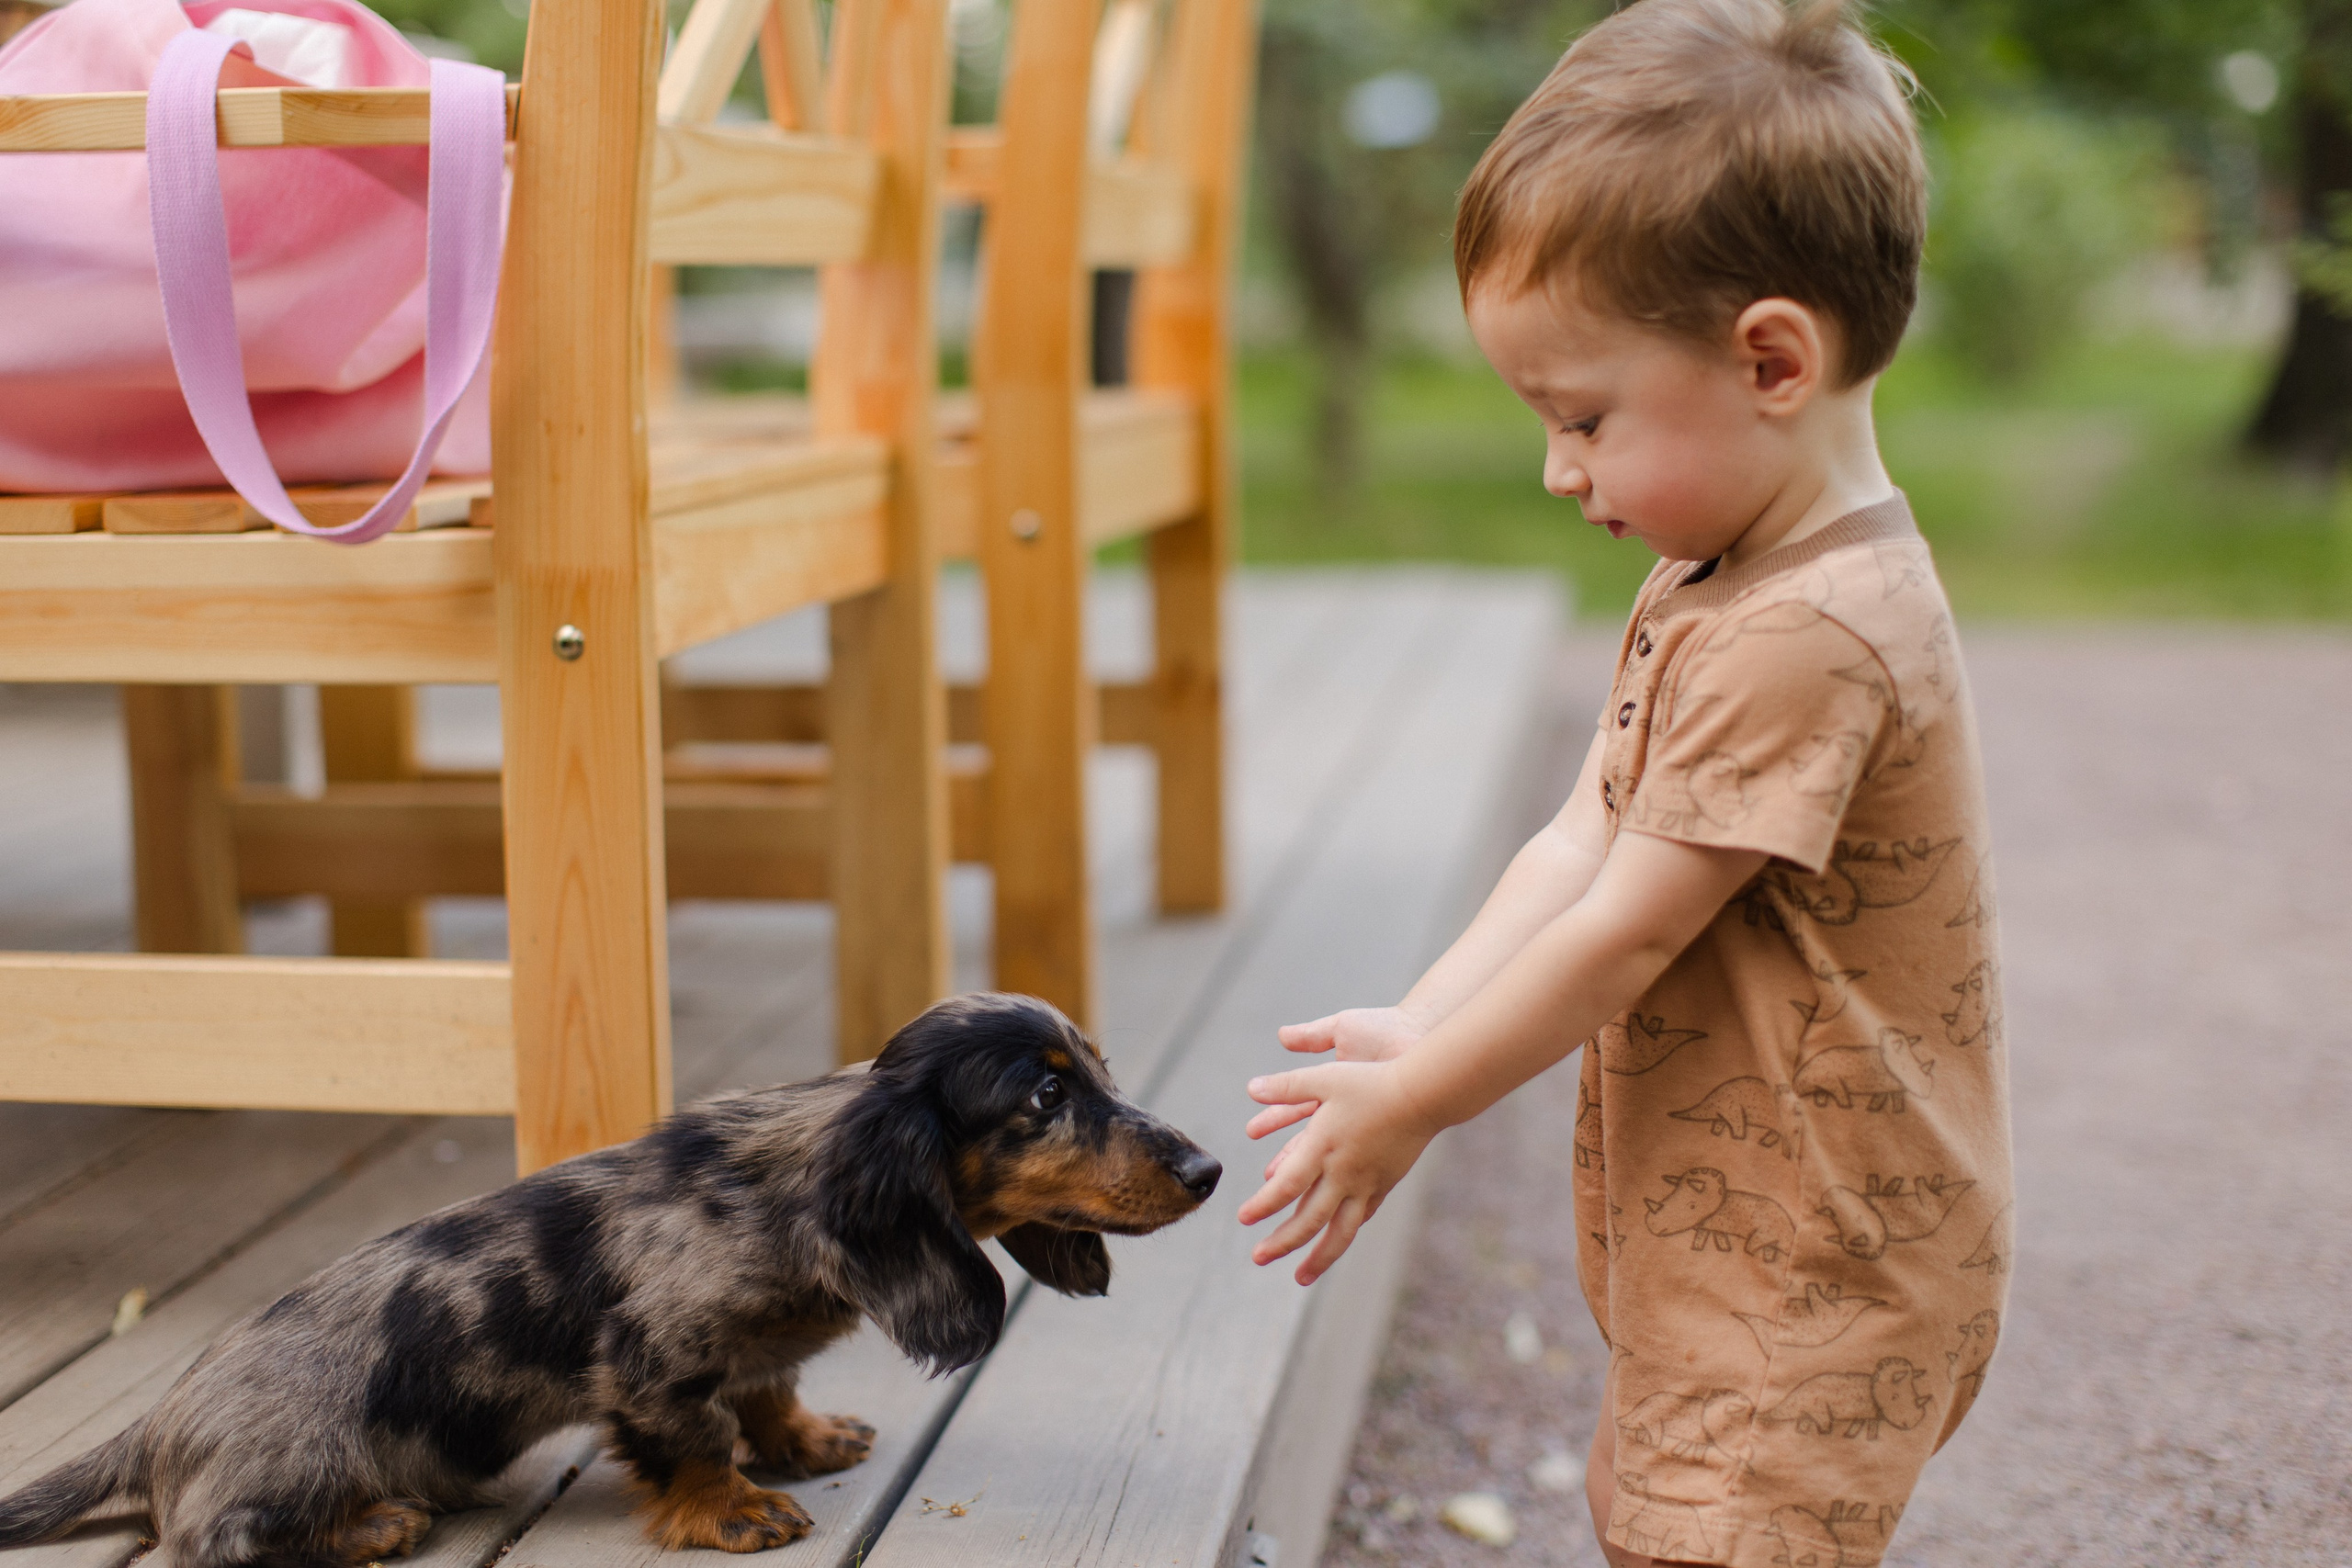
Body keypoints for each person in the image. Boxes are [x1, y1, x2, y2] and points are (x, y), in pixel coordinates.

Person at [1235, 3, 2012, 1564]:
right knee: (1634, 1507)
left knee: (1699, 1539)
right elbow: (1583, 835)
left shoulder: (1806, 633)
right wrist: (1433, 1018)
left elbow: (1626, 934)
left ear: (1773, 361)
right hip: (1743, 1229)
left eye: (1582, 417)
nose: (1557, 470)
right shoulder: (1714, 575)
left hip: (1823, 1251)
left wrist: (1421, 1109)